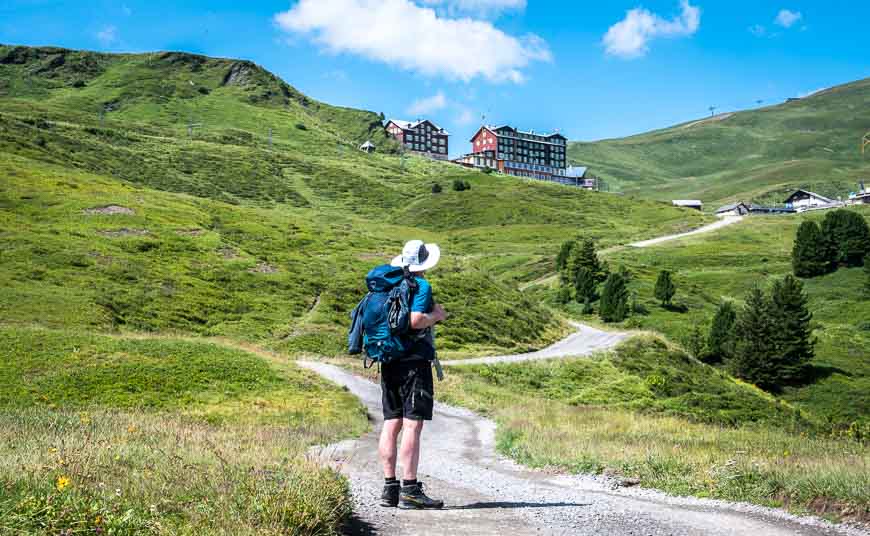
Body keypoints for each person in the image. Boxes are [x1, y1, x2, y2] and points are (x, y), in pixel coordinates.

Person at [379, 239, 447, 510]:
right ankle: (410, 490)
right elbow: (416, 321)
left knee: (390, 423)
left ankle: (389, 488)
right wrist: (437, 316)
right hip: (414, 363)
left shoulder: (389, 284)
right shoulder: (422, 286)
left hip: (389, 361)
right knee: (412, 425)